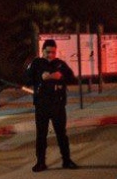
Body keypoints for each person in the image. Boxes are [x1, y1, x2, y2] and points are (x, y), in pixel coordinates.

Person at [24, 39, 78, 172]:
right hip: (42, 105)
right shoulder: (36, 64)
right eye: (48, 52)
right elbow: (26, 79)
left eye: (53, 52)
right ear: (42, 51)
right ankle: (40, 162)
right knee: (41, 135)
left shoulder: (60, 64)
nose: (51, 55)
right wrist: (41, 78)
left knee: (61, 134)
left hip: (58, 105)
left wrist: (60, 77)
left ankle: (67, 160)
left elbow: (72, 79)